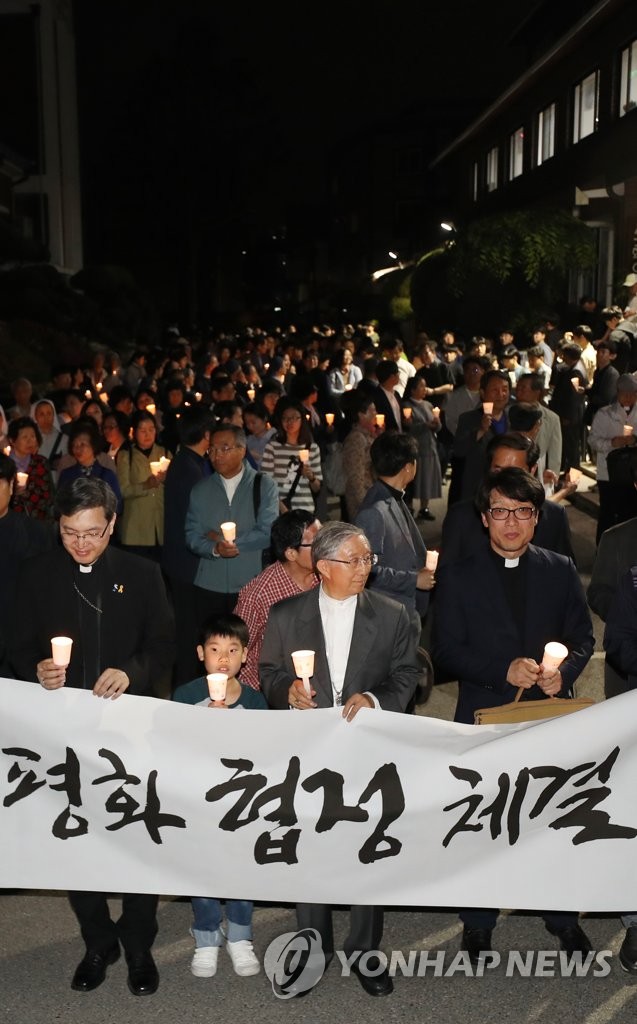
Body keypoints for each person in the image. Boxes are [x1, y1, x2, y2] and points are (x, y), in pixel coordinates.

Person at [10, 477, 175, 997]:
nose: (82, 544)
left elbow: (166, 642)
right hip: (61, 728)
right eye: (69, 533)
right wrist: (35, 668)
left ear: (112, 524)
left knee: (136, 835)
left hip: (128, 727)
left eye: (93, 533)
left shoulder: (142, 573)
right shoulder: (34, 574)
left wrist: (132, 671)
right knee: (75, 837)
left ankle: (139, 942)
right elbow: (13, 642)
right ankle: (97, 940)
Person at [433, 466, 594, 964]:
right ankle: (478, 922)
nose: (511, 522)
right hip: (483, 714)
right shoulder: (459, 576)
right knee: (482, 821)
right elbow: (444, 650)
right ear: (485, 518)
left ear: (536, 517)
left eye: (522, 512)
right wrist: (502, 668)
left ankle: (562, 918)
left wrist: (560, 674)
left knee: (550, 819)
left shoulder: (559, 568)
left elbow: (583, 638)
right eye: (500, 511)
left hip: (548, 716)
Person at [259, 521, 419, 998]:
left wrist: (374, 698)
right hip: (307, 754)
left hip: (367, 753)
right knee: (310, 851)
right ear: (324, 566)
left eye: (368, 559)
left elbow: (408, 673)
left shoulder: (393, 615)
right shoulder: (286, 615)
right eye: (354, 560)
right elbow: (268, 671)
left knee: (367, 848)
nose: (365, 568)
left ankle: (365, 949)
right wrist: (284, 690)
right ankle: (313, 946)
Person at [173, 614, 266, 979]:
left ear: (245, 655)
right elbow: (172, 745)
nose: (223, 658)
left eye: (232, 650)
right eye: (214, 650)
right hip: (199, 799)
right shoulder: (185, 696)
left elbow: (265, 753)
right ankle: (207, 933)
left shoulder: (255, 701)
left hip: (241, 802)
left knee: (241, 865)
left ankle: (240, 933)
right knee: (204, 866)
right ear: (200, 654)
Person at [186, 424, 279, 624]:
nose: (217, 455)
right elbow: (192, 536)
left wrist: (226, 540)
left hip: (251, 582)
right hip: (209, 583)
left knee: (249, 647)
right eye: (212, 449)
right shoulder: (201, 490)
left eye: (224, 448)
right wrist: (215, 548)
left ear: (242, 450)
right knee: (212, 645)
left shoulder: (264, 485)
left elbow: (267, 531)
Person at [440, 433, 575, 566]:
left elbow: (565, 576)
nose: (505, 480)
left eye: (514, 472)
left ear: (532, 470)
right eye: (498, 471)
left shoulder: (554, 516)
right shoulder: (461, 516)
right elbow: (446, 578)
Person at [355, 433, 434, 641]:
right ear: (409, 467)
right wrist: (414, 579)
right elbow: (366, 570)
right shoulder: (374, 510)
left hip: (402, 609)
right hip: (389, 615)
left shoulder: (391, 496)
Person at [234, 510, 320, 690]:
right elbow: (238, 649)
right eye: (316, 543)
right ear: (291, 554)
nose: (325, 547)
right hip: (272, 690)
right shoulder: (258, 594)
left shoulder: (325, 577)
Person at [162, 406, 214, 685]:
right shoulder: (190, 469)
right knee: (189, 630)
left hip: (178, 560)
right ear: (207, 435)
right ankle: (185, 686)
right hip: (187, 563)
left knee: (187, 627)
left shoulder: (183, 462)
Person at [588, 373, 637, 541]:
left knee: (630, 515)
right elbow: (592, 440)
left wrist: (634, 440)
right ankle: (602, 552)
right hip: (608, 474)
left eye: (633, 394)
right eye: (625, 394)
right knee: (607, 515)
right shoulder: (604, 414)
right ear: (618, 393)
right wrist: (611, 443)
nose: (629, 398)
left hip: (632, 475)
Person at [116, 410, 170, 559]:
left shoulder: (164, 452)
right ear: (134, 432)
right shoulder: (126, 455)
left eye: (151, 429)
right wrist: (146, 485)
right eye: (143, 430)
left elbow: (175, 486)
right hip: (136, 527)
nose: (148, 434)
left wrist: (166, 480)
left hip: (160, 526)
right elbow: (123, 490)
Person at [452, 370, 511, 503]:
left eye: (505, 389)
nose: (501, 394)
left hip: (507, 488)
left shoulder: (513, 418)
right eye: (495, 390)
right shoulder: (468, 419)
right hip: (477, 487)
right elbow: (459, 450)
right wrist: (480, 431)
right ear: (483, 393)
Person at [261, 398, 322, 513]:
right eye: (285, 418)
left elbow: (317, 488)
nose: (290, 422)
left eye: (294, 417)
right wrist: (283, 509)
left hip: (305, 510)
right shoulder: (272, 448)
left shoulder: (312, 448)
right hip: (279, 510)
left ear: (302, 419)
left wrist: (311, 477)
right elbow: (266, 484)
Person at [58, 418, 123, 514]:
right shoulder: (67, 474)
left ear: (93, 445)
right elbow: (59, 505)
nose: (78, 449)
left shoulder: (107, 474)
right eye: (75, 445)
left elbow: (118, 506)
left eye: (82, 445)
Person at [402, 375, 442, 519]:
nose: (424, 389)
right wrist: (425, 425)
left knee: (428, 478)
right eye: (421, 386)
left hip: (430, 446)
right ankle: (410, 507)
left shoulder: (428, 405)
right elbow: (409, 427)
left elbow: (437, 428)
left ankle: (424, 507)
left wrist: (437, 423)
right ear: (412, 390)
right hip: (417, 447)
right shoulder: (407, 405)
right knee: (414, 479)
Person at [7, 415, 56, 521]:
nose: (30, 441)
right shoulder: (5, 465)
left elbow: (50, 493)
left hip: (39, 521)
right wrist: (13, 493)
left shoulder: (41, 462)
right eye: (25, 437)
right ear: (12, 440)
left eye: (33, 436)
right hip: (13, 522)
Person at [341, 391, 378, 520]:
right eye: (372, 411)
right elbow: (355, 476)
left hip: (371, 496)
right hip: (363, 500)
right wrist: (365, 504)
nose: (376, 414)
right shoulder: (356, 438)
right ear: (361, 414)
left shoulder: (366, 435)